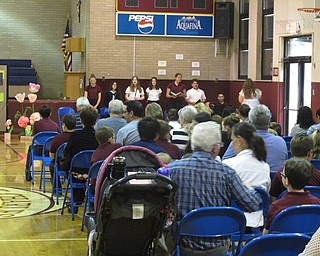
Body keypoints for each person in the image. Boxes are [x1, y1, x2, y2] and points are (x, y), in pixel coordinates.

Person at [166, 121, 262, 255]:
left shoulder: (172, 169)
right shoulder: (227, 173)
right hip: (218, 249)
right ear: (215, 148)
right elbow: (252, 205)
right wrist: (249, 188)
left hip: (182, 247)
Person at [222, 122, 270, 229]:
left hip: (232, 221)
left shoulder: (227, 164)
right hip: (258, 222)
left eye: (232, 140)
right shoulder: (265, 166)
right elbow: (266, 193)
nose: (231, 144)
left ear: (239, 141)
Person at [223, 104, 288, 174]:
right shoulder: (281, 142)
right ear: (269, 123)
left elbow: (224, 165)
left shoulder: (241, 141)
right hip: (277, 183)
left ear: (250, 122)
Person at [263, 158, 320, 234]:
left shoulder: (276, 206)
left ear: (286, 181)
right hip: (310, 244)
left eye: (282, 175)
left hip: (282, 245)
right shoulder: (316, 203)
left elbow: (266, 234)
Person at [62, 106, 99, 213]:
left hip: (76, 172)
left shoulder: (75, 135)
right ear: (96, 121)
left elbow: (67, 151)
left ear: (81, 120)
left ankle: (77, 201)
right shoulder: (98, 136)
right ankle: (92, 202)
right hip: (93, 173)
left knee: (71, 165)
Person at [269, 134, 320, 202]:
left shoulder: (280, 174)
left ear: (291, 152)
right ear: (310, 153)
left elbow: (273, 198)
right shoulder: (318, 175)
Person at [25, 104, 60, 181]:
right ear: (50, 113)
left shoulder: (37, 124)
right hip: (52, 152)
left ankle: (28, 170)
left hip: (40, 151)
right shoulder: (55, 125)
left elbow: (35, 137)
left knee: (31, 148)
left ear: (40, 114)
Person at [49, 114, 77, 189]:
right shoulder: (78, 138)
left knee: (52, 165)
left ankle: (57, 188)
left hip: (62, 165)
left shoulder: (57, 138)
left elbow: (52, 156)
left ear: (63, 125)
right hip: (76, 164)